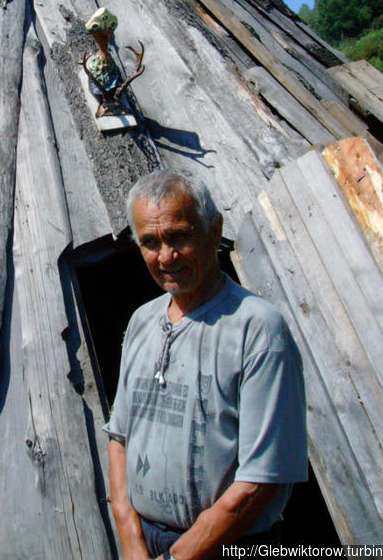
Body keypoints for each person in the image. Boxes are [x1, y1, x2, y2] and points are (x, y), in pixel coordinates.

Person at [104, 169, 307, 560]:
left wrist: (179, 557)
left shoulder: (257, 329)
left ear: (214, 232)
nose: (165, 257)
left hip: (229, 545)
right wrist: (130, 538)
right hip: (143, 542)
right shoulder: (142, 320)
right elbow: (119, 437)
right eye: (149, 242)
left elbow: (257, 482)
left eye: (178, 236)